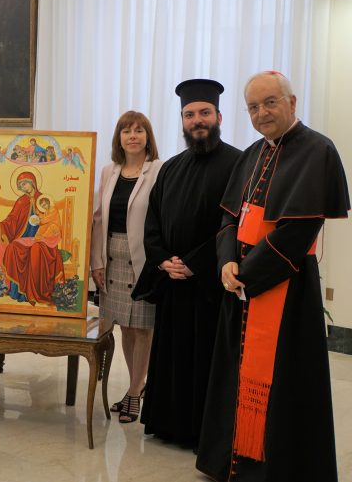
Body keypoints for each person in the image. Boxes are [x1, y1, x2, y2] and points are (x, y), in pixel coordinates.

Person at [196, 72, 349, 482]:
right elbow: (229, 216)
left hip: (284, 285)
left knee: (283, 382)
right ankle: (227, 462)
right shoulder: (251, 154)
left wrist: (248, 274)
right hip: (241, 284)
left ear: (292, 102)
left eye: (269, 102)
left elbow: (299, 230)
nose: (261, 113)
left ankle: (272, 470)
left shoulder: (318, 151)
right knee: (235, 373)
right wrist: (226, 263)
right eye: (253, 107)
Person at [132, 79, 241, 447]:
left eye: (204, 113)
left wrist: (195, 263)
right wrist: (164, 262)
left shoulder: (240, 163)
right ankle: (167, 424)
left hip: (212, 285)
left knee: (207, 360)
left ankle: (201, 432)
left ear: (219, 116)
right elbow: (153, 223)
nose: (198, 120)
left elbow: (238, 225)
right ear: (181, 120)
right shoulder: (170, 168)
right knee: (173, 356)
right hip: (174, 284)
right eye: (190, 114)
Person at [90, 111, 162, 423]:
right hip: (112, 257)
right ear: (118, 138)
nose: (132, 136)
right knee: (123, 326)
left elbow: (163, 216)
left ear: (148, 137)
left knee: (142, 328)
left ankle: (134, 393)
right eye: (126, 131)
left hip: (144, 260)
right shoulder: (109, 171)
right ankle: (138, 386)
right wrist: (96, 261)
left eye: (139, 131)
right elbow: (97, 219)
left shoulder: (159, 170)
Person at [0, 171, 65, 306]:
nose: (22, 187)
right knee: (13, 248)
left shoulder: (44, 200)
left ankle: (35, 293)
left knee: (35, 250)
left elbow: (54, 222)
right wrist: (0, 227)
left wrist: (42, 225)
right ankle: (17, 292)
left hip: (43, 239)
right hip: (23, 238)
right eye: (20, 185)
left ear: (32, 183)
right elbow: (11, 220)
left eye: (24, 184)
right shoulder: (21, 201)